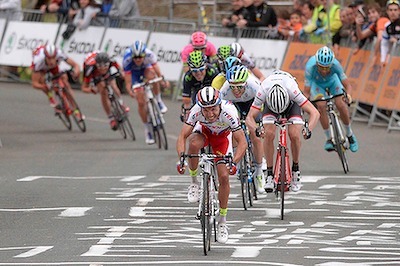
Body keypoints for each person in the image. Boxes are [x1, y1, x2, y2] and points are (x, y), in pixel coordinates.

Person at [176, 86, 247, 244]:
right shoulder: (195, 111)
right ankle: (194, 183)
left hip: (222, 139)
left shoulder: (229, 112)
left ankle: (222, 220)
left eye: (213, 109)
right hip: (204, 133)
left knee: (223, 176)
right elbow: (182, 136)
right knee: (193, 144)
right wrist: (181, 158)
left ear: (220, 105)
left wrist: (234, 162)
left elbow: (242, 142)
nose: (209, 114)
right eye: (205, 110)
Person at [246, 69, 320, 193]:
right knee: (268, 134)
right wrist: (257, 129)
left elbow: (315, 113)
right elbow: (249, 118)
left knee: (294, 135)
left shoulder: (293, 90)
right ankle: (269, 174)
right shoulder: (263, 90)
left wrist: (309, 129)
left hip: (291, 105)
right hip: (271, 107)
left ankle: (296, 170)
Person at [219, 65, 265, 193]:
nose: (236, 90)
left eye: (239, 86)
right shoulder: (225, 90)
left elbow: (263, 106)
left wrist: (259, 123)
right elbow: (221, 111)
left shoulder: (254, 85)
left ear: (246, 82)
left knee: (255, 135)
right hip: (234, 105)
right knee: (234, 131)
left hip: (252, 103)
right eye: (233, 86)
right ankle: (239, 162)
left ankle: (259, 170)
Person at [304, 46, 359, 154]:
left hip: (333, 81)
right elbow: (306, 92)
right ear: (317, 64)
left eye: (327, 68)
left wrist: (348, 96)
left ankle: (350, 135)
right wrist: (304, 104)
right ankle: (329, 138)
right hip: (317, 84)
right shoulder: (310, 67)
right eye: (321, 67)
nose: (324, 71)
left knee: (341, 104)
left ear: (331, 64)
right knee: (321, 106)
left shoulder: (336, 65)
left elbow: (348, 86)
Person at [123, 40, 169, 144]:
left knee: (153, 76)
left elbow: (158, 71)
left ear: (144, 54)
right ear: (132, 56)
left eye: (140, 57)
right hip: (134, 74)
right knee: (140, 102)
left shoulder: (149, 55)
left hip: (146, 69)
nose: (138, 59)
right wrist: (130, 90)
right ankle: (147, 129)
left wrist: (163, 80)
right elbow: (128, 81)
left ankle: (158, 101)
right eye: (136, 57)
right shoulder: (127, 60)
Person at [31, 43, 82, 118]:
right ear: (45, 57)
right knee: (42, 83)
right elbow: (34, 84)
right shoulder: (38, 61)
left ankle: (75, 109)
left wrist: (76, 71)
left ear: (56, 56)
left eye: (53, 58)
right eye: (49, 58)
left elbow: (75, 65)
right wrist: (43, 87)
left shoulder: (59, 53)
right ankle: (51, 97)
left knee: (65, 81)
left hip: (54, 67)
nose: (51, 61)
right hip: (42, 68)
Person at [81, 51, 129, 130]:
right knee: (103, 91)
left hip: (106, 72)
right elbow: (83, 88)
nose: (103, 69)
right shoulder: (89, 68)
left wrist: (122, 74)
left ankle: (122, 103)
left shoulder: (112, 61)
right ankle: (111, 118)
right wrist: (91, 89)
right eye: (100, 67)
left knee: (113, 85)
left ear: (108, 63)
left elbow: (120, 70)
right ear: (96, 65)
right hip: (95, 75)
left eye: (105, 66)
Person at [181, 50, 219, 117]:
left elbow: (220, 92)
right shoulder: (188, 77)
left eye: (201, 69)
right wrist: (186, 111)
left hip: (212, 91)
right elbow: (186, 98)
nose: (198, 73)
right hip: (197, 92)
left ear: (206, 66)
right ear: (190, 69)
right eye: (195, 71)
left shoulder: (213, 72)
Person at [380, 0, 400, 67]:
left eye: (395, 10)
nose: (393, 12)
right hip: (395, 59)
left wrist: (397, 41)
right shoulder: (387, 26)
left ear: (399, 11)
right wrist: (383, 59)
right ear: (387, 12)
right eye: (390, 10)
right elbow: (384, 44)